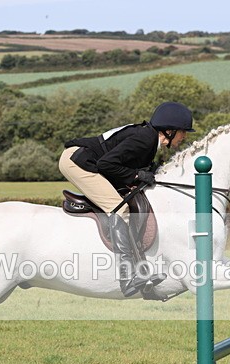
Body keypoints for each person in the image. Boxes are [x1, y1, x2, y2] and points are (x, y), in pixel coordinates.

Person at [58, 101, 194, 297]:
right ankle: (127, 277)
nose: (185, 136)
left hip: (88, 160)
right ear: (170, 131)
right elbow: (106, 164)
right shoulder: (144, 140)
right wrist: (137, 175)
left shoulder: (148, 139)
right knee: (119, 208)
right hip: (77, 162)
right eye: (183, 131)